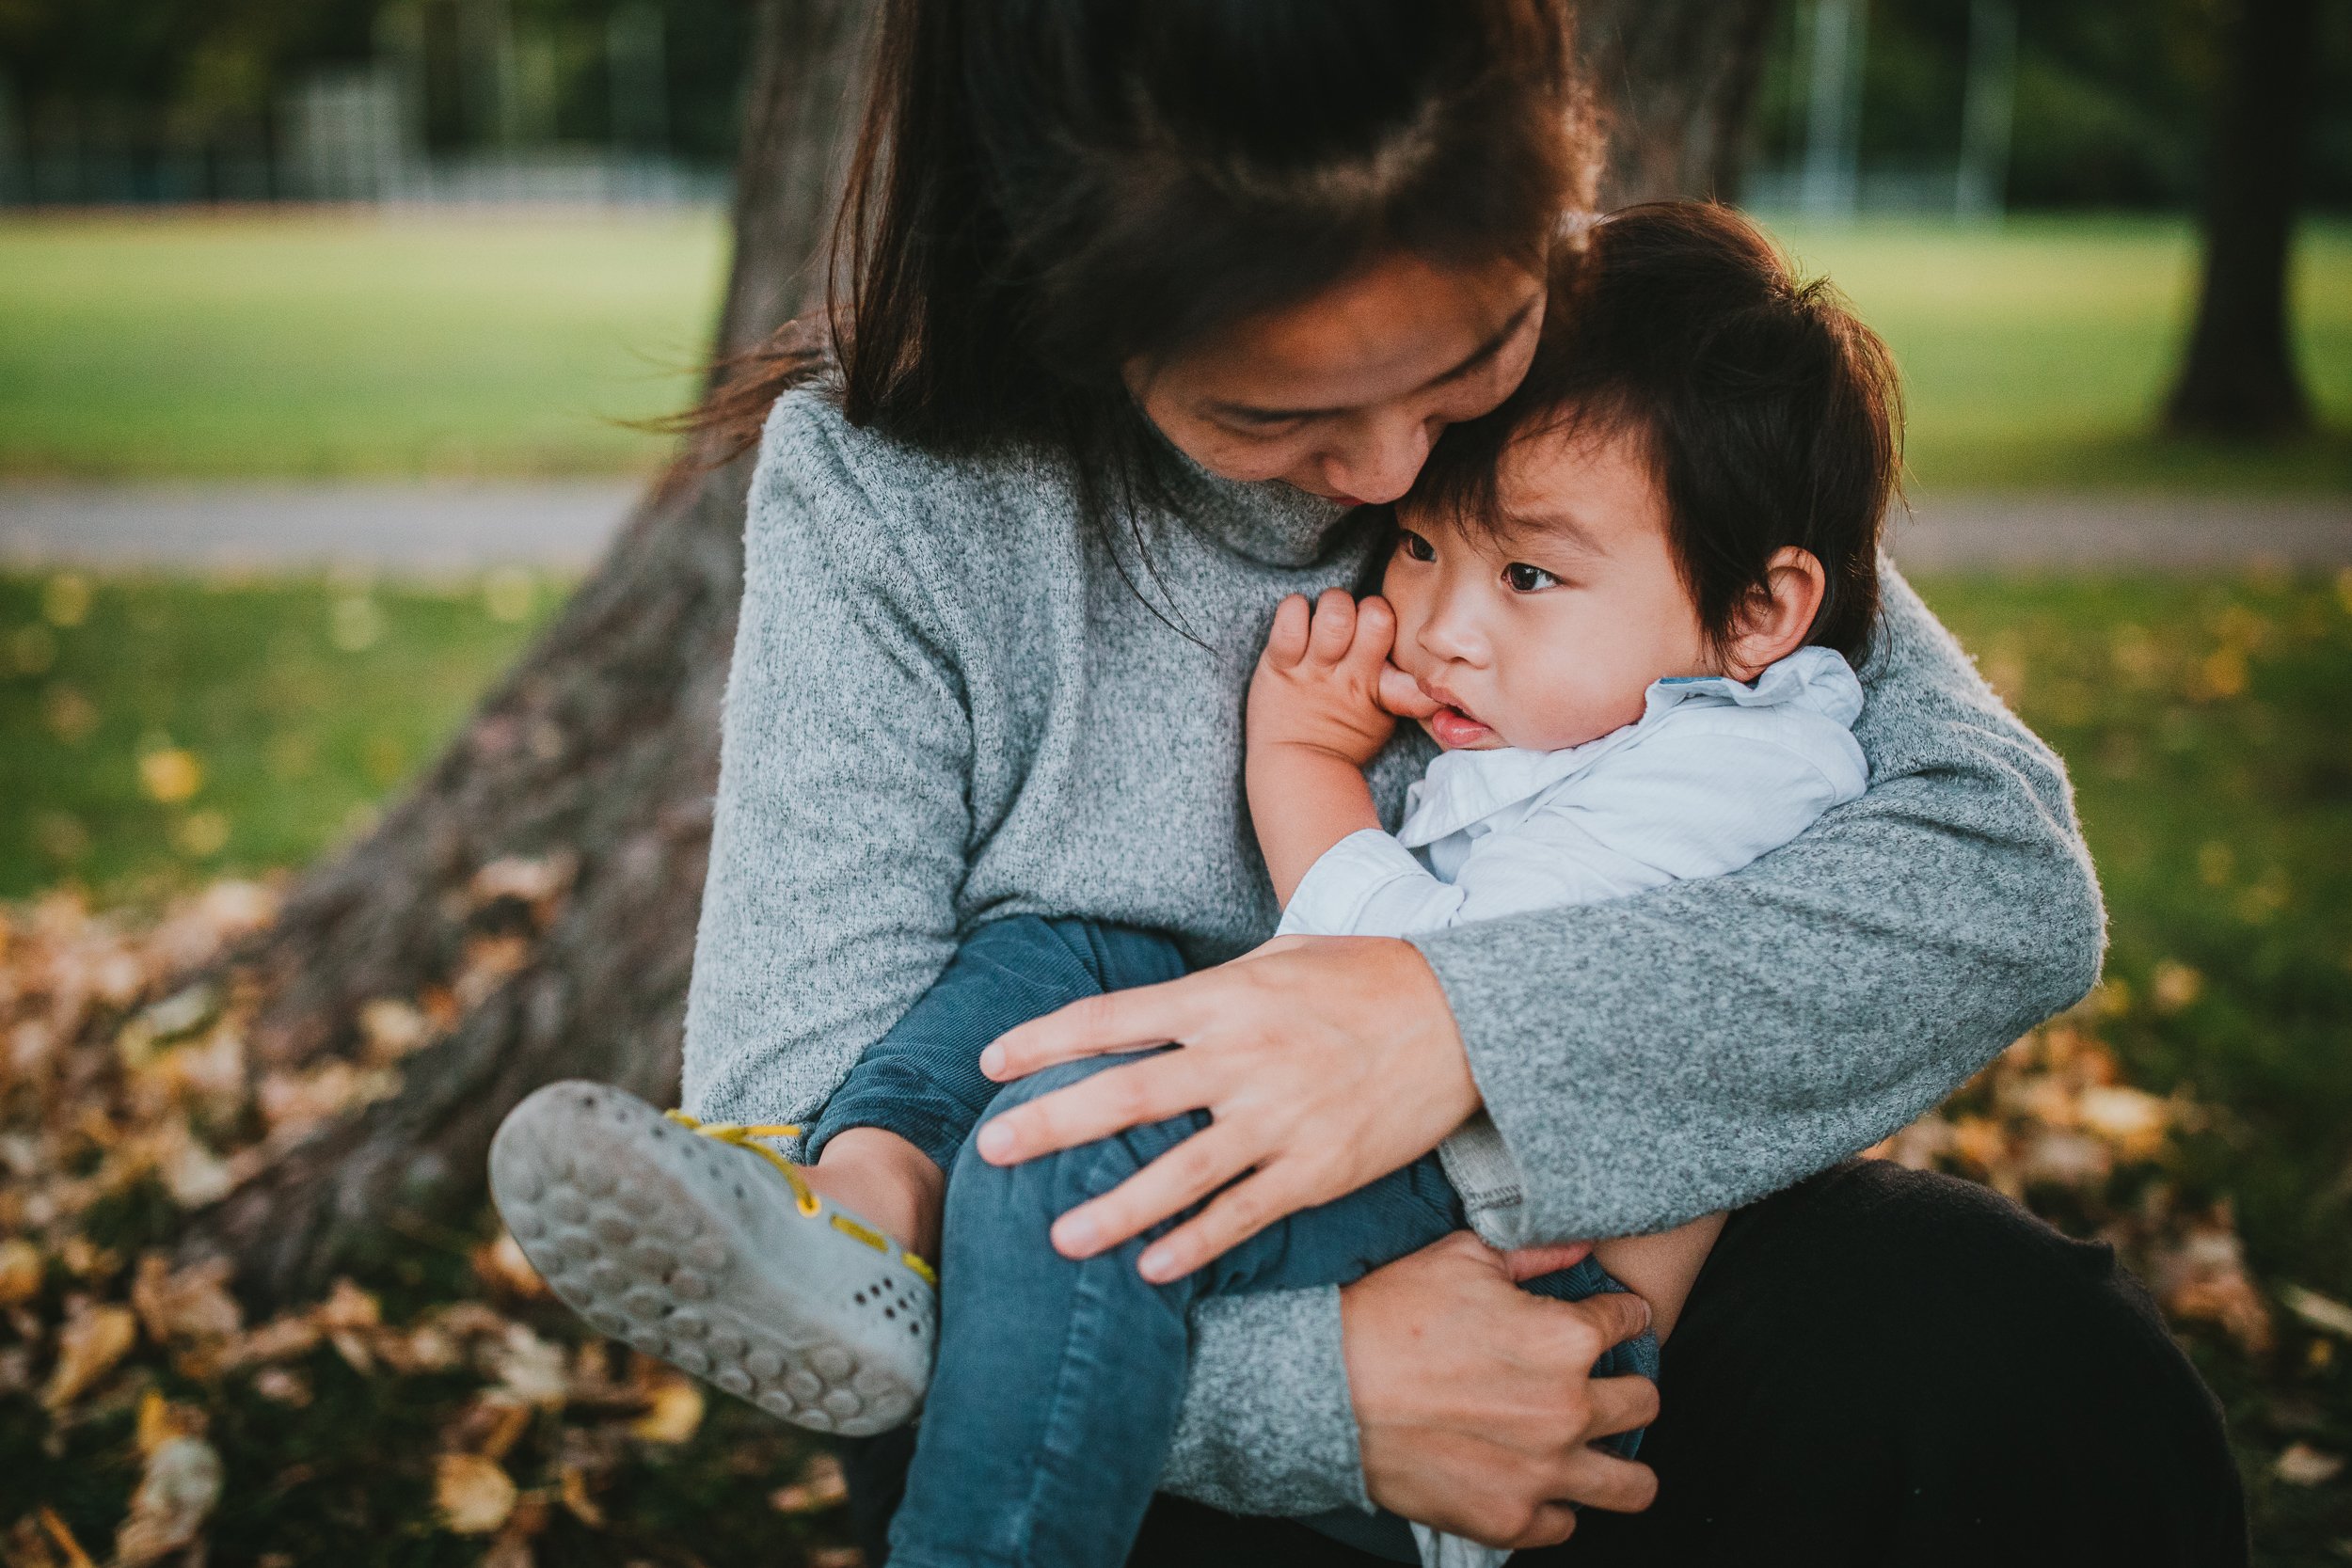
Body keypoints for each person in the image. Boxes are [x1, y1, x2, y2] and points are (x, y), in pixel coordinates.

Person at [491, 1, 2247, 1561]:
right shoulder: (890, 488)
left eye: (1468, 365)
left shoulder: (1621, 361)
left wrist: (1440, 1024)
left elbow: (1993, 879)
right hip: (1105, 1323)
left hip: (1562, 1241)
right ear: (1075, 309)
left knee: (2032, 1365)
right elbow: (802, 1135)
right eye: (1280, 423)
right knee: (1033, 1082)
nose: (1403, 468)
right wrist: (1324, 1399)